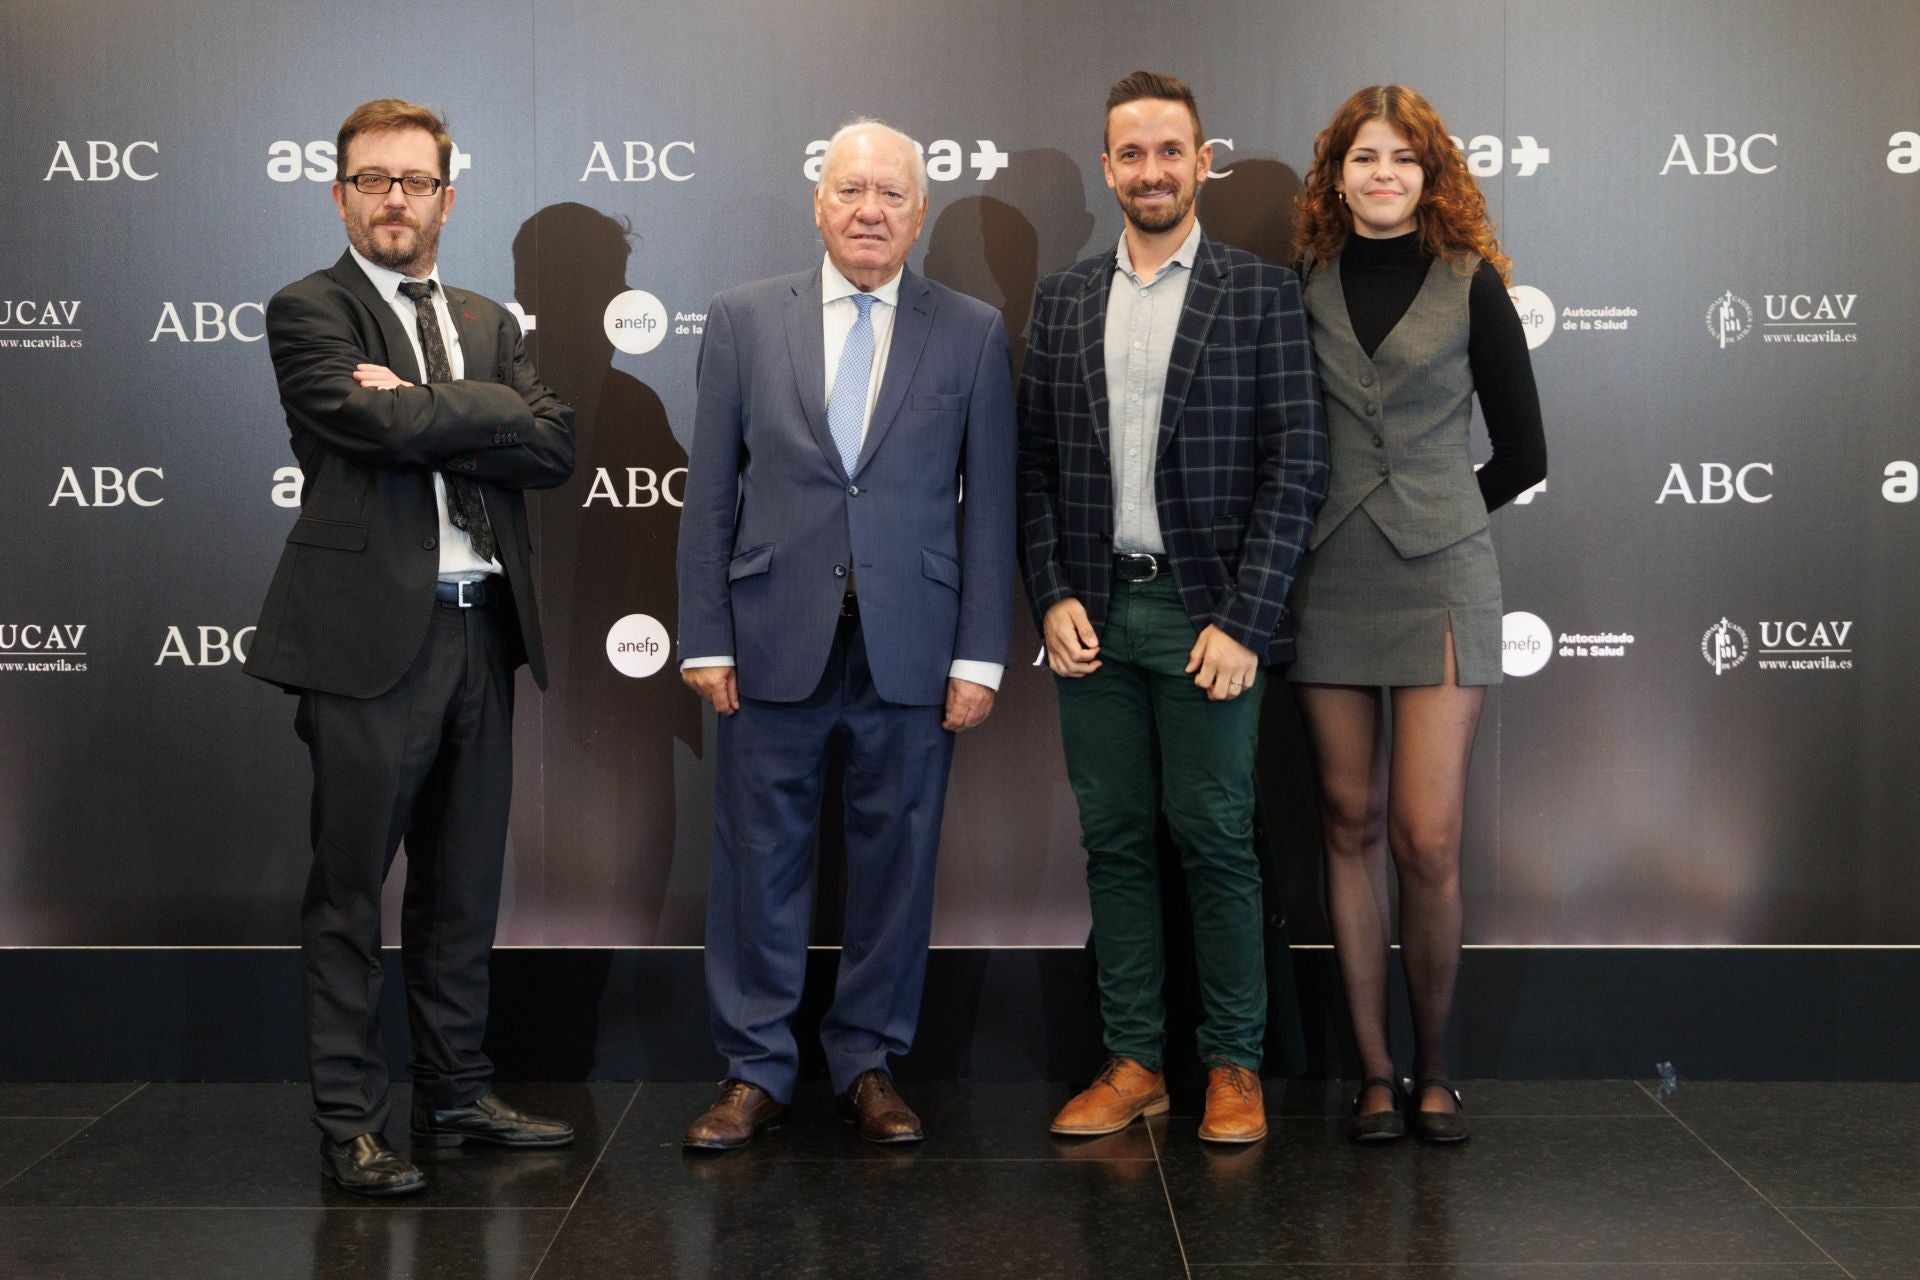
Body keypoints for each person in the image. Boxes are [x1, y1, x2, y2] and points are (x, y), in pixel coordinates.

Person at [246, 99, 576, 1195]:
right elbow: (369, 426)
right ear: (340, 194)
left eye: (415, 181)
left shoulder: (488, 318)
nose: (395, 198)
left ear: (447, 197)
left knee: (463, 886)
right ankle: (352, 1121)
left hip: (483, 629)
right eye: (373, 180)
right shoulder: (311, 308)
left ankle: (457, 1088)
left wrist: (434, 401)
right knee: (350, 892)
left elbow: (555, 444)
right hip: (366, 643)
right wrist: (486, 414)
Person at [675, 119, 1016, 1149]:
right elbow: (709, 495)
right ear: (819, 203)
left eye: (891, 194)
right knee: (757, 861)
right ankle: (755, 1068)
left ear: (921, 212)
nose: (870, 210)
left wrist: (979, 652)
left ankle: (866, 1059)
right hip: (771, 637)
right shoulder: (742, 319)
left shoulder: (972, 331)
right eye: (851, 191)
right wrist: (706, 636)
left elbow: (991, 507)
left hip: (913, 646)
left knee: (897, 865)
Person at [1018, 71, 1327, 1145]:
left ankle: (1234, 1064)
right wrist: (1050, 591)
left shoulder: (1263, 293)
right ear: (1108, 168)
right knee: (1114, 844)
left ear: (1203, 162)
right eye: (1131, 153)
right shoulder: (1062, 299)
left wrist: (1247, 619)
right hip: (1095, 618)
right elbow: (1032, 468)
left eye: (1169, 151)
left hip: (1210, 623)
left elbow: (1297, 466)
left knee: (1215, 839)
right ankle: (1136, 1061)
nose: (1151, 171)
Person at [1288, 85, 1547, 1144]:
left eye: (1402, 157)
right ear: (1337, 176)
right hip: (1328, 577)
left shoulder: (1471, 281)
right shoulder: (1301, 282)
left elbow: (1524, 453)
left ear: (1429, 173)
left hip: (1443, 578)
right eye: (1365, 157)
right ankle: (1374, 1072)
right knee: (1346, 824)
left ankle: (1437, 1068)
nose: (1383, 174)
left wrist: (1437, 514)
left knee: (1426, 837)